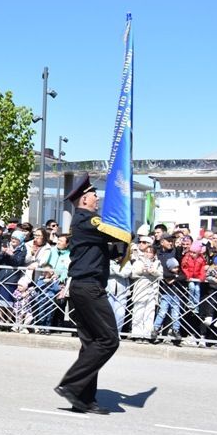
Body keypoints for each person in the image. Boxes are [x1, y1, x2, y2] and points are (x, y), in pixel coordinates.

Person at [52, 173, 125, 415]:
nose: (98, 199)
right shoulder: (88, 220)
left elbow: (110, 249)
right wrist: (124, 223)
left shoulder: (85, 223)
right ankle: (71, 384)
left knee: (92, 343)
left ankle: (82, 398)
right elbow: (114, 233)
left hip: (83, 286)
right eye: (94, 195)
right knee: (108, 339)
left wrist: (121, 247)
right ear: (84, 199)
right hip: (88, 287)